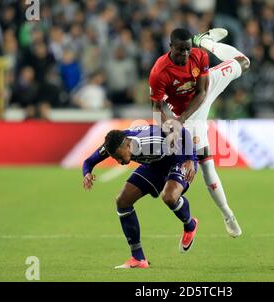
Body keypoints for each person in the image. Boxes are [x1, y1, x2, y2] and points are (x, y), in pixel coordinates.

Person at [149, 28, 250, 238]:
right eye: (180, 50)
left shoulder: (198, 56)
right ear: (170, 48)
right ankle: (228, 215)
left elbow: (203, 91)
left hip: (200, 96)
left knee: (244, 62)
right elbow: (157, 110)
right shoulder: (159, 71)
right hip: (185, 114)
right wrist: (171, 127)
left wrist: (181, 121)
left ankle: (207, 41)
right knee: (206, 164)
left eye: (188, 49)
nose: (185, 54)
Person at [82, 124, 198, 269]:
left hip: (178, 160)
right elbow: (88, 162)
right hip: (154, 166)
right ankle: (138, 258)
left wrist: (190, 158)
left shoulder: (151, 141)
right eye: (115, 158)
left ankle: (190, 225)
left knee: (169, 197)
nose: (119, 162)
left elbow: (181, 130)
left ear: (128, 146)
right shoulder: (114, 144)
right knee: (122, 201)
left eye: (119, 157)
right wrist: (86, 173)